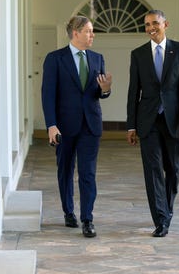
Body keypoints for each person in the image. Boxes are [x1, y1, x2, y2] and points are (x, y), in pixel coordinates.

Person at [126, 10, 179, 237]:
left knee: (174, 169)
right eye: (146, 24)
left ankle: (166, 209)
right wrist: (131, 125)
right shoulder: (138, 54)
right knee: (153, 169)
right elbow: (133, 91)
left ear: (166, 24)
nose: (150, 28)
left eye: (155, 23)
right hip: (148, 121)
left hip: (173, 120)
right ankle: (161, 220)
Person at [42, 15, 112, 238]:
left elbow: (99, 93)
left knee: (88, 174)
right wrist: (51, 125)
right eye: (89, 31)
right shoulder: (55, 59)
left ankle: (87, 219)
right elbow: (48, 95)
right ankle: (68, 211)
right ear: (76, 33)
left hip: (90, 126)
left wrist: (106, 89)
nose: (92, 35)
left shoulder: (97, 58)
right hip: (64, 126)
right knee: (65, 170)